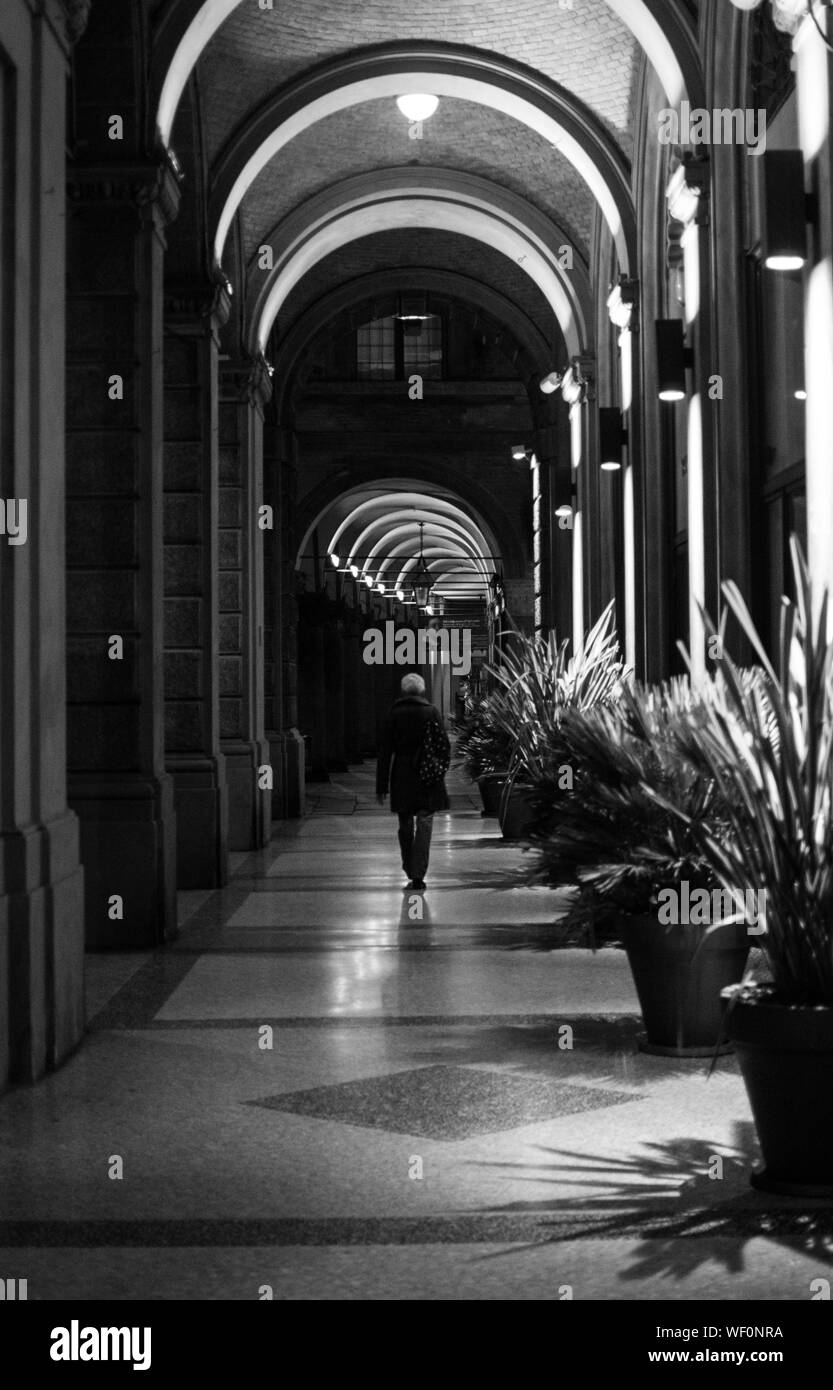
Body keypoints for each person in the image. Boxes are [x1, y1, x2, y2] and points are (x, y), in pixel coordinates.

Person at [376, 672, 449, 891]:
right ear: (422, 690)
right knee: (425, 823)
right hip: (427, 777)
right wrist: (439, 770)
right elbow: (444, 745)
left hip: (402, 775)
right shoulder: (431, 712)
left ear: (403, 691)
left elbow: (385, 751)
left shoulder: (394, 714)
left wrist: (381, 786)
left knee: (405, 824)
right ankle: (418, 874)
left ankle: (409, 866)